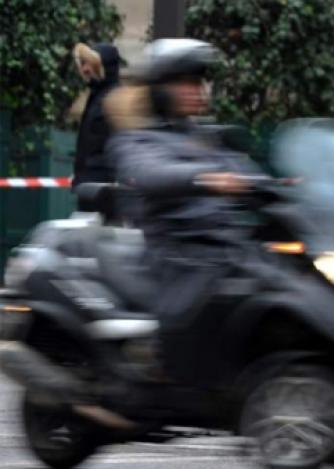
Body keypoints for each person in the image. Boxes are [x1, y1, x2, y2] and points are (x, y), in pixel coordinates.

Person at [104, 38, 264, 384]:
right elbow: (148, 174)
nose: (197, 90)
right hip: (176, 254)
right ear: (161, 89)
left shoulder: (203, 136)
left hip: (219, 245)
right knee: (213, 282)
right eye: (186, 82)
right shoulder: (137, 139)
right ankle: (163, 369)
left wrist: (281, 186)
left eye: (199, 82)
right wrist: (205, 178)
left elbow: (243, 171)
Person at [72, 42, 121, 208]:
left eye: (89, 64)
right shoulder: (96, 97)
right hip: (92, 187)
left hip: (104, 190)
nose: (84, 69)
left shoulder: (113, 100)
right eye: (83, 63)